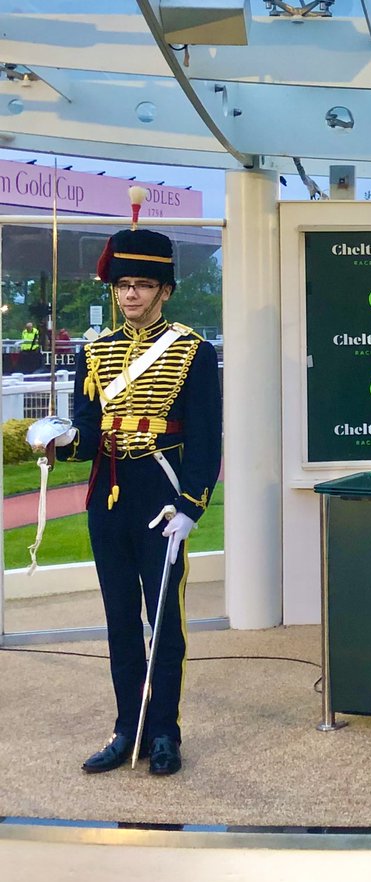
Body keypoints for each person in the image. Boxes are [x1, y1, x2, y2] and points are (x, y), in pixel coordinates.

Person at [52, 226, 222, 776]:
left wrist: (192, 505)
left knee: (164, 623)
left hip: (162, 496)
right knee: (120, 619)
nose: (131, 295)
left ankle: (166, 732)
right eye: (123, 284)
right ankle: (128, 728)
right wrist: (57, 442)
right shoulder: (94, 351)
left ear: (164, 290)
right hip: (109, 497)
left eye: (143, 284)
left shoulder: (193, 350)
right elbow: (85, 434)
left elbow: (204, 437)